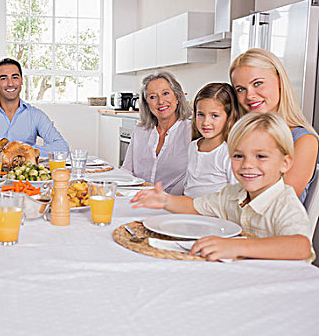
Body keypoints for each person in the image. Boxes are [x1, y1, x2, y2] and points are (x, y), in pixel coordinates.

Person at [131, 112, 312, 261]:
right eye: (238, 156)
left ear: (285, 163)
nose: (247, 164)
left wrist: (237, 246)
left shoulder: (284, 203)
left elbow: (300, 246)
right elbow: (195, 207)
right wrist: (165, 200)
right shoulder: (233, 195)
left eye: (261, 156)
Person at [230, 48, 319, 202]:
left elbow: (275, 201)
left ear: (279, 81)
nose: (249, 95)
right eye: (241, 89)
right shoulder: (243, 136)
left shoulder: (304, 141)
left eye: (257, 83)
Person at [121, 71, 192, 195]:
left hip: (173, 205)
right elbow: (126, 171)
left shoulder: (192, 131)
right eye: (153, 97)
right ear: (147, 103)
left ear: (177, 97)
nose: (160, 101)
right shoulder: (140, 131)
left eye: (165, 93)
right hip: (138, 200)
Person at [183, 83, 242, 198]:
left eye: (214, 115)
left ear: (229, 117)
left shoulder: (229, 152)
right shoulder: (193, 146)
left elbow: (236, 194)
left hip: (212, 213)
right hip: (187, 208)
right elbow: (188, 185)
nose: (206, 122)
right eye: (201, 114)